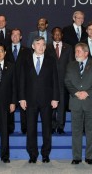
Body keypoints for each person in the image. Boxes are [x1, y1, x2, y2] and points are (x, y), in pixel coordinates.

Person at [19, 36, 59, 164]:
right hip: (30, 100)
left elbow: (55, 80)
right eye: (38, 44)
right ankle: (32, 154)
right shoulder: (25, 60)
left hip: (47, 100)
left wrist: (55, 98)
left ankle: (45, 154)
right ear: (33, 46)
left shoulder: (51, 60)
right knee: (31, 129)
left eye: (43, 44)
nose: (41, 46)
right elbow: (22, 81)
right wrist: (21, 98)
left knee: (47, 129)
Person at [65, 43, 92, 165]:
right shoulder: (71, 65)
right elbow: (67, 81)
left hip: (90, 101)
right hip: (75, 101)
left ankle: (89, 157)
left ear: (86, 53)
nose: (76, 54)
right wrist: (76, 92)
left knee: (91, 131)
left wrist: (86, 93)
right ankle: (76, 157)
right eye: (76, 51)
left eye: (79, 51)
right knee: (76, 131)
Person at [46, 27, 74, 134]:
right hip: (50, 82)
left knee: (62, 105)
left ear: (62, 35)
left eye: (59, 34)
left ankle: (60, 126)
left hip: (63, 81)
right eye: (55, 34)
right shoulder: (47, 48)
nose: (57, 36)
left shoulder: (69, 48)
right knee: (51, 104)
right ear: (52, 35)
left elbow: (71, 65)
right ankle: (52, 126)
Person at [5, 28, 32, 134]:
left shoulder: (27, 50)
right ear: (10, 36)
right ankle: (10, 127)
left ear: (21, 37)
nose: (15, 36)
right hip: (9, 82)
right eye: (13, 34)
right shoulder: (5, 50)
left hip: (23, 82)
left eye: (17, 35)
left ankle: (25, 127)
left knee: (24, 105)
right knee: (9, 104)